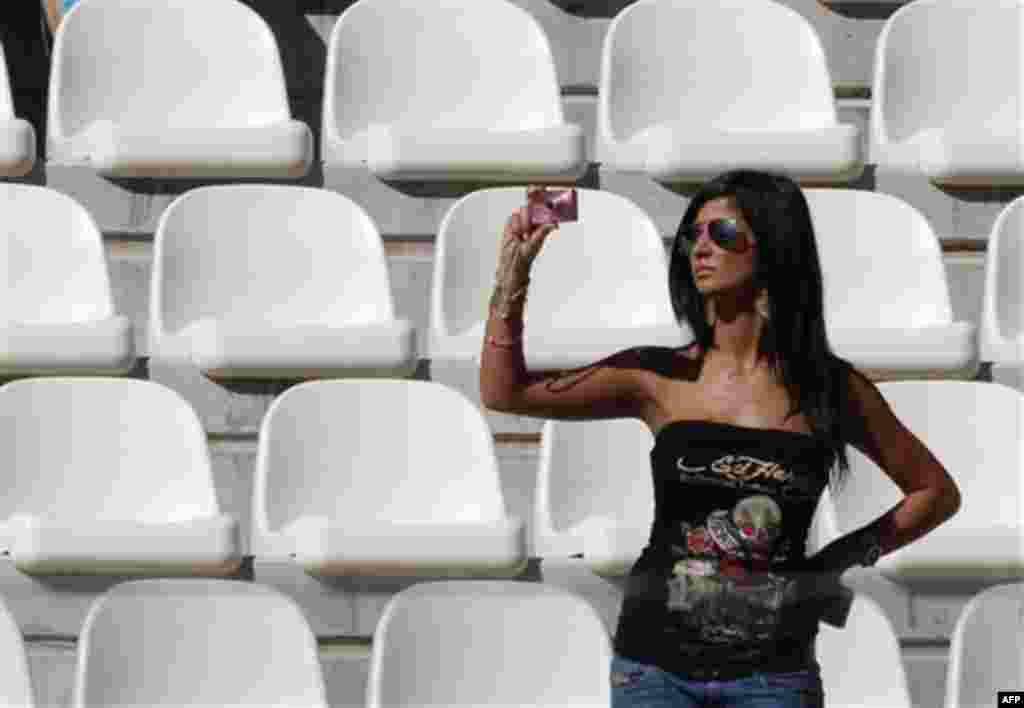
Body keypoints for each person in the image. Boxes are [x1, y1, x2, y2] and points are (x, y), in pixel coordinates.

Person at [479, 170, 962, 708]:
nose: (701, 247)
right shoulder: (658, 376)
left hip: (773, 677)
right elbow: (506, 394)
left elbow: (935, 492)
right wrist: (511, 282)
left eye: (723, 233)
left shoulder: (830, 386)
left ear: (774, 246)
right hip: (651, 669)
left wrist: (837, 559)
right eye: (694, 235)